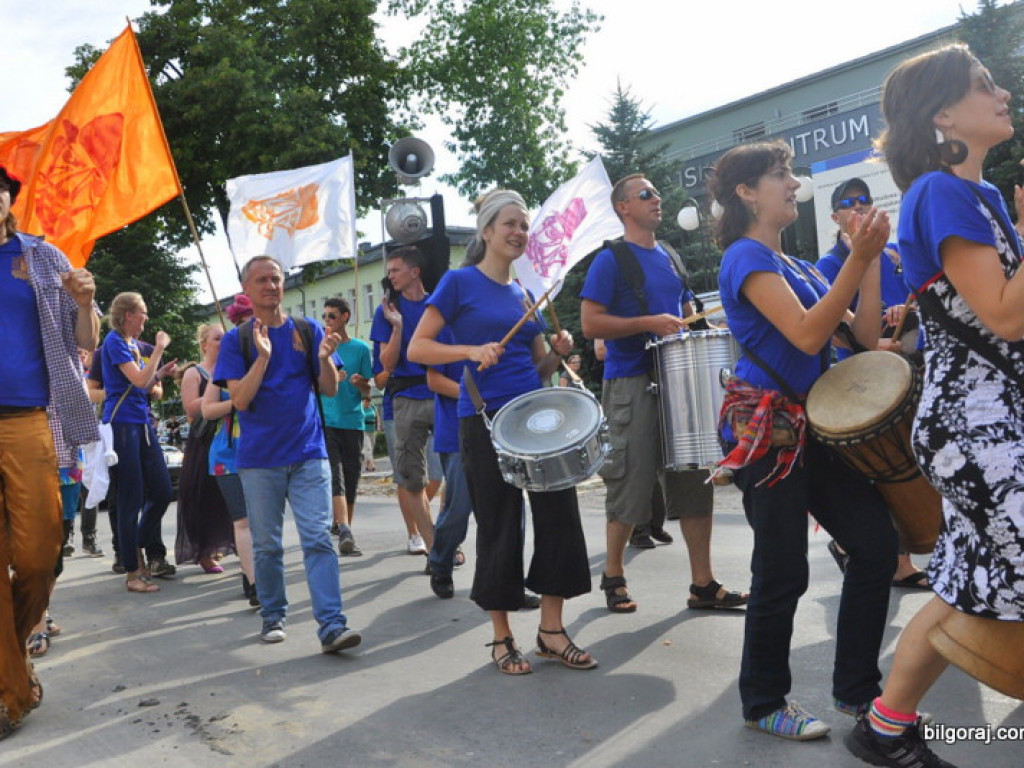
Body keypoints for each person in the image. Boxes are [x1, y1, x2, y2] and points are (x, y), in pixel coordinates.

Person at [844, 45, 1023, 768]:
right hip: (979, 427)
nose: (1003, 92)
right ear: (944, 114)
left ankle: (885, 728)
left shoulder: (974, 197)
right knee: (974, 582)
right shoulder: (939, 192)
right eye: (985, 86)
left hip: (988, 420)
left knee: (963, 586)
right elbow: (1006, 316)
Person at [709, 140, 899, 740]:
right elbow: (807, 333)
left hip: (811, 428)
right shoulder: (745, 258)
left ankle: (857, 691)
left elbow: (861, 335)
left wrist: (865, 263)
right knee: (782, 571)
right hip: (769, 433)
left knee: (875, 545)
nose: (794, 183)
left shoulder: (792, 265)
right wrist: (854, 259)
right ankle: (764, 702)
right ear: (746, 191)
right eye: (780, 174)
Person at [409, 188, 594, 675]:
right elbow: (419, 349)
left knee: (559, 517)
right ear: (487, 231)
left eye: (524, 226)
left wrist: (558, 351)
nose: (519, 232)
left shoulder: (524, 294)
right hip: (485, 421)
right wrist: (469, 352)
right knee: (499, 524)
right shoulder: (457, 283)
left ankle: (551, 631)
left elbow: (538, 369)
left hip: (534, 421)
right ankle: (501, 638)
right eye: (510, 223)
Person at [580, 172, 746, 614]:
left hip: (681, 382)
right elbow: (590, 324)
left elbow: (688, 312)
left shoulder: (671, 256)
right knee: (631, 481)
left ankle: (703, 584)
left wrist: (711, 329)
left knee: (695, 479)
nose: (657, 200)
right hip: (633, 381)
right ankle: (613, 574)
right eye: (646, 195)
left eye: (656, 193)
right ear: (624, 208)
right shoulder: (611, 260)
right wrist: (648, 323)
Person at [214, 255, 361, 653]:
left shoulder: (307, 329)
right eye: (261, 280)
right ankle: (273, 615)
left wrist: (326, 357)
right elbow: (240, 400)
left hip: (309, 451)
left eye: (276, 278)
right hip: (260, 459)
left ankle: (332, 625)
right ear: (246, 289)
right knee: (267, 544)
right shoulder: (236, 340)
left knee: (317, 538)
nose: (271, 285)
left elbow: (329, 389)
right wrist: (262, 357)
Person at [0, 164, 100, 740]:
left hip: (27, 418)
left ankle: (10, 655)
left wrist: (86, 301)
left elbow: (83, 341)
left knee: (40, 553)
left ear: (8, 199)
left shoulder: (42, 257)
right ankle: (11, 694)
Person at [818, 177, 930, 590]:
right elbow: (827, 326)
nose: (859, 207)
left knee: (911, 461)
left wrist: (908, 307)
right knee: (886, 468)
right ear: (835, 217)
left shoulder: (895, 254)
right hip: (864, 378)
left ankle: (880, 548)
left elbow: (922, 299)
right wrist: (875, 340)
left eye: (864, 200)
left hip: (906, 367)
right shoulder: (829, 264)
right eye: (849, 203)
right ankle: (896, 559)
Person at [101, 292, 178, 593]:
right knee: (131, 496)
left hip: (141, 423)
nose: (146, 318)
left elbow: (146, 381)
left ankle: (134, 542)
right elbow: (138, 381)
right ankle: (133, 572)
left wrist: (160, 372)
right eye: (142, 312)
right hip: (123, 425)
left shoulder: (131, 344)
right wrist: (158, 349)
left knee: (161, 490)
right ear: (128, 315)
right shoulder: (115, 341)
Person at [370, 247, 436, 557]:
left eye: (395, 270)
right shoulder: (386, 310)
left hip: (440, 393)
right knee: (412, 478)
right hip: (404, 399)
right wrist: (396, 325)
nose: (390, 276)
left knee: (442, 474)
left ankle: (433, 529)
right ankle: (427, 540)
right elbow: (387, 363)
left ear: (414, 271)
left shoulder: (437, 305)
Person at [202, 295, 258, 607]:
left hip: (267, 452)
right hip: (228, 455)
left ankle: (256, 573)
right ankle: (254, 583)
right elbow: (207, 410)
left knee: (264, 522)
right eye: (241, 323)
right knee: (243, 521)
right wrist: (237, 400)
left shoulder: (270, 359)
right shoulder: (226, 365)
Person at [175, 324, 235, 573]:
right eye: (217, 338)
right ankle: (205, 552)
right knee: (206, 498)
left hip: (230, 438)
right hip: (205, 442)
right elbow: (190, 407)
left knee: (230, 499)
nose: (223, 342)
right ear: (204, 345)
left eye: (225, 338)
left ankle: (233, 544)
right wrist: (219, 393)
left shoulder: (233, 369)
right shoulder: (195, 373)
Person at [320, 297, 372, 556]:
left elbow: (368, 392)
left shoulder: (360, 349)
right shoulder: (320, 348)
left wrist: (360, 383)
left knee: (351, 477)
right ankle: (345, 531)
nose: (327, 320)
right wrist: (329, 376)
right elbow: (312, 384)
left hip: (352, 421)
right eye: (324, 316)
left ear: (345, 317)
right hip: (326, 421)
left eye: (331, 315)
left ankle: (343, 526)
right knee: (336, 476)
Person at [424, 352, 471, 599]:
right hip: (457, 430)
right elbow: (435, 380)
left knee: (507, 510)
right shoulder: (445, 322)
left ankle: (509, 581)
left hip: (499, 427)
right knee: (458, 507)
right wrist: (477, 398)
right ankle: (441, 563)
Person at [361, 396, 378, 472]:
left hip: (373, 429)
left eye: (368, 402)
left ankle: (366, 465)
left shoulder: (373, 407)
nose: (367, 403)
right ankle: (371, 465)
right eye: (366, 401)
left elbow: (377, 417)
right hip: (364, 430)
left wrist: (378, 426)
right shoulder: (361, 408)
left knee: (372, 447)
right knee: (368, 448)